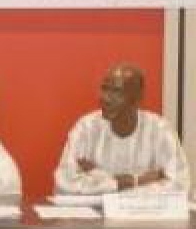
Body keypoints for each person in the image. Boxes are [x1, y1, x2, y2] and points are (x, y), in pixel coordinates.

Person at [55, 63, 190, 195]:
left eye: (116, 91)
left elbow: (180, 185)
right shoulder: (87, 128)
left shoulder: (160, 130)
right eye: (104, 89)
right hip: (95, 210)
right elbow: (64, 183)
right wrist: (135, 181)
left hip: (144, 210)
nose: (105, 98)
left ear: (137, 99)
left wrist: (99, 178)